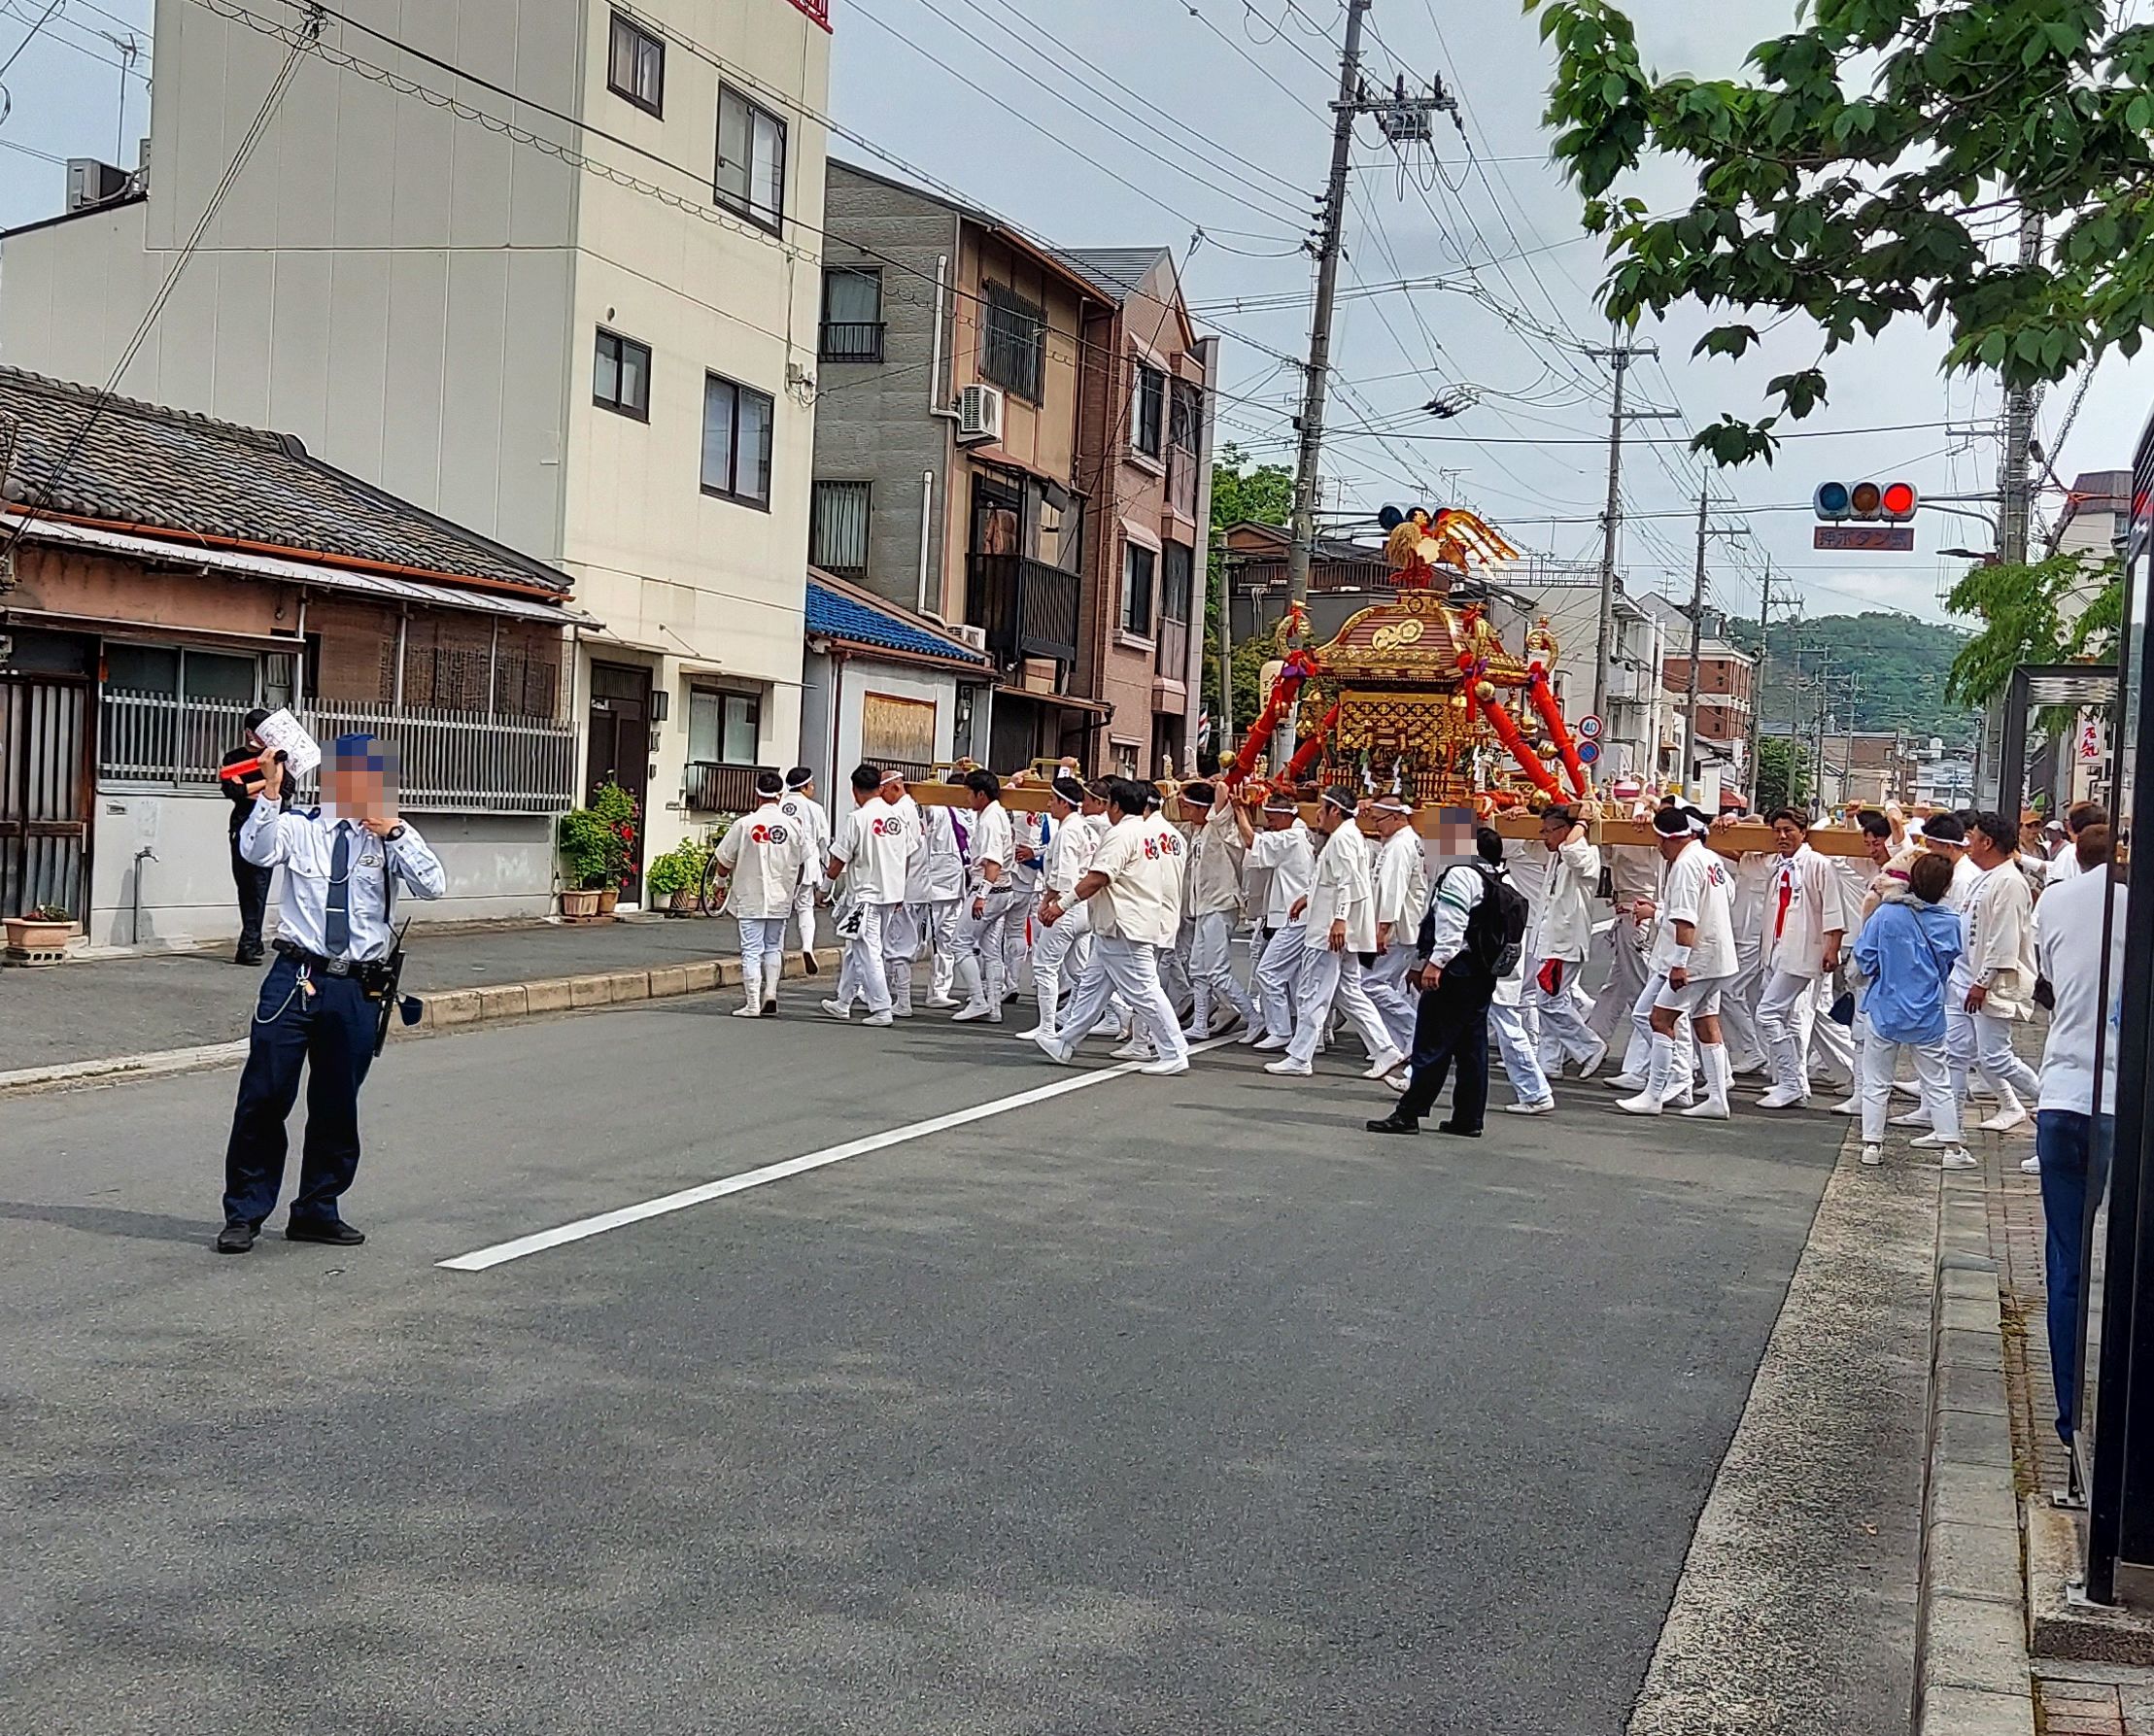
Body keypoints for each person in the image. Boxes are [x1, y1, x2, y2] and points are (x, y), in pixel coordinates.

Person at [216, 732, 445, 1253]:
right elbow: (255, 851)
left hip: (356, 985)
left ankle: (318, 1208)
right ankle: (245, 1213)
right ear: (336, 779)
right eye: (357, 776)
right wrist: (270, 792)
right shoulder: (298, 827)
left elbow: (434, 885)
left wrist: (397, 833)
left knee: (337, 1102)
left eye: (377, 778)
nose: (368, 787)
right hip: (296, 976)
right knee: (264, 1096)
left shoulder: (387, 838)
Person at [2032, 823, 2122, 1449]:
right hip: (2122, 1101)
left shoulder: (2056, 899)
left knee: (2066, 1261)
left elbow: (2050, 986)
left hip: (2062, 1093)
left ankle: (2069, 1419)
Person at [1031, 778, 1190, 1076]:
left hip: (1124, 924)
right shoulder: (1147, 831)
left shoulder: (1122, 834)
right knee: (1093, 987)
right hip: (1121, 922)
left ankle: (1174, 1050)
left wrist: (1060, 906)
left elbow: (1098, 878)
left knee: (1144, 990)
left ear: (1115, 806)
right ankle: (1065, 1042)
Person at [1364, 821, 1504, 1138]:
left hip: (1454, 968)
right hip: (1480, 971)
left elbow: (1450, 925)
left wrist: (1434, 963)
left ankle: (1409, 1113)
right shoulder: (1493, 876)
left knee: (1431, 1044)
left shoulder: (1459, 875)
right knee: (1472, 1048)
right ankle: (1468, 1118)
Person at [1265, 788, 1408, 1081]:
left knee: (1312, 992)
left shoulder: (1343, 838)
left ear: (1334, 811)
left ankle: (1300, 1056)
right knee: (1348, 992)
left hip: (1330, 931)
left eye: (1322, 808)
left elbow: (1346, 884)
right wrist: (1308, 896)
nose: (1317, 815)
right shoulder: (1348, 835)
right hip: (1336, 926)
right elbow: (1331, 881)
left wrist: (1339, 921)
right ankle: (1384, 1048)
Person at [1850, 850, 1970, 1168]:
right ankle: (1952, 1148)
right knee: (1937, 1079)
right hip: (1928, 1010)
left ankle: (1872, 1144)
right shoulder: (1950, 921)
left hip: (1885, 1006)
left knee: (1876, 1079)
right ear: (1946, 887)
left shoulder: (1887, 915)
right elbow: (1949, 960)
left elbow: (1865, 957)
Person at [1619, 805, 1738, 1119]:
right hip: (1718, 956)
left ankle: (1657, 1092)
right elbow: (1720, 901)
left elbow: (1686, 919)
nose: (1659, 847)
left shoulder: (1685, 865)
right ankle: (1716, 1096)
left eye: (1660, 840)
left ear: (1670, 838)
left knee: (1659, 1019)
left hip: (1694, 958)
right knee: (1704, 1021)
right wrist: (1661, 908)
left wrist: (1680, 964)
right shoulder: (1711, 858)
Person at [1752, 808, 1850, 1110]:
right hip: (1775, 948)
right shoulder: (1777, 866)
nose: (1782, 836)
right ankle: (1790, 1080)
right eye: (1777, 831)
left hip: (1804, 950)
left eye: (1789, 830)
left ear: (1803, 832)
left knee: (1767, 1014)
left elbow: (1833, 909)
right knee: (1787, 1018)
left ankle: (1792, 1082)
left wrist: (1832, 948)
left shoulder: (1818, 864)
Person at [1956, 810, 2043, 1133]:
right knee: (1972, 1051)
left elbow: (2003, 938)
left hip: (1991, 983)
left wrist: (1982, 983)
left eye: (1972, 838)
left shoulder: (2009, 881)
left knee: (1995, 1056)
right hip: (1968, 976)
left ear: (1987, 842)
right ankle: (2007, 1106)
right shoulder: (1987, 876)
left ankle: (2047, 1102)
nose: (1968, 845)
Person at [709, 769, 813, 1017]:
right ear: (780, 796)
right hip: (781, 896)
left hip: (750, 896)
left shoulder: (744, 824)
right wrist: (795, 890)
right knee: (773, 946)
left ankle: (753, 1003)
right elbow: (802, 862)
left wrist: (720, 884)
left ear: (757, 796)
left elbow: (724, 860)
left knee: (751, 949)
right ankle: (771, 994)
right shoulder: (793, 826)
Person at [821, 764, 907, 1028]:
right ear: (880, 788)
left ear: (855, 790)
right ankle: (843, 1001)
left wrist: (824, 889)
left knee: (869, 951)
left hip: (866, 895)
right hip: (890, 893)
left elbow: (838, 859)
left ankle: (882, 1008)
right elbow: (906, 854)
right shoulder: (896, 817)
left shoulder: (857, 818)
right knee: (855, 948)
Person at [1525, 802, 1605, 1078]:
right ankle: (1550, 1061)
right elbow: (1522, 845)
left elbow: (1573, 851)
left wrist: (1582, 822)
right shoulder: (1553, 855)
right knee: (1551, 999)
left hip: (1564, 941)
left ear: (1566, 830)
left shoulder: (1587, 852)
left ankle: (1589, 1046)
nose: (1545, 837)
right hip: (1549, 939)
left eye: (1550, 831)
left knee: (1549, 1002)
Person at [1022, 774, 1098, 1044]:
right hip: (1084, 906)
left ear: (1064, 804)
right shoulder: (1084, 827)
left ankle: (1046, 1027)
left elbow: (1063, 876)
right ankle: (1120, 1013)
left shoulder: (1067, 831)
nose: (1049, 805)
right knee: (1079, 970)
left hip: (1067, 904)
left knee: (1045, 966)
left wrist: (1049, 902)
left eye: (1052, 800)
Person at [1181, 780, 1258, 1038]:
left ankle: (1253, 1018)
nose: (1186, 811)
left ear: (1204, 808)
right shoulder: (1199, 830)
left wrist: (1216, 781)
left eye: (1190, 806)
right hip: (1204, 905)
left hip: (1220, 904)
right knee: (1198, 969)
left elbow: (1223, 789)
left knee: (1217, 969)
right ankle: (1200, 1024)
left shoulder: (1220, 826)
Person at [1242, 793, 1317, 1050]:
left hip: (1294, 916)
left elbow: (1252, 841)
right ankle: (1306, 1034)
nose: (1269, 824)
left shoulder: (1292, 837)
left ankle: (1282, 1030)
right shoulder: (1300, 832)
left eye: (1272, 819)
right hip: (1291, 913)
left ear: (1287, 815)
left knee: (1269, 972)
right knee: (1298, 979)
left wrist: (1238, 809)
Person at [1361, 794, 1432, 1056]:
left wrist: (1382, 929)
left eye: (1379, 820)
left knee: (1371, 985)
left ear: (1397, 817)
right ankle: (1401, 1041)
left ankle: (1416, 1032)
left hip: (1398, 929)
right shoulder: (1402, 842)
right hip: (1403, 928)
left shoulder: (1401, 846)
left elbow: (1393, 890)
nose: (1376, 825)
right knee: (1386, 985)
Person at [953, 768, 1016, 1023]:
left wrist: (981, 895)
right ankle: (993, 1006)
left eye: (970, 793)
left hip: (990, 889)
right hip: (1004, 890)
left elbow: (993, 863)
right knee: (991, 949)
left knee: (960, 942)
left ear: (981, 794)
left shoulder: (990, 819)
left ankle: (978, 999)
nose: (967, 798)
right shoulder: (997, 813)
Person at [218, 707, 280, 966]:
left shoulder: (278, 756)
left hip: (270, 826)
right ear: (249, 733)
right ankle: (251, 941)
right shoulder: (234, 757)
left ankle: (250, 943)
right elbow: (232, 790)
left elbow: (285, 789)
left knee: (259, 883)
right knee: (246, 884)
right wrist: (267, 782)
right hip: (242, 825)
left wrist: (252, 788)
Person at [777, 767, 833, 976]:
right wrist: (826, 865)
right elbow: (824, 840)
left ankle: (777, 950)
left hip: (781, 863)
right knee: (805, 907)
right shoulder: (814, 808)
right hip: (807, 863)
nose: (814, 788)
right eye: (812, 785)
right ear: (803, 786)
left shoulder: (779, 805)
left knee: (781, 909)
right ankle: (807, 947)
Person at [2047, 800, 2107, 886]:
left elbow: (2056, 885)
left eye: (2067, 822)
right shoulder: (2112, 851)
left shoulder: (2070, 852)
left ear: (2071, 827)